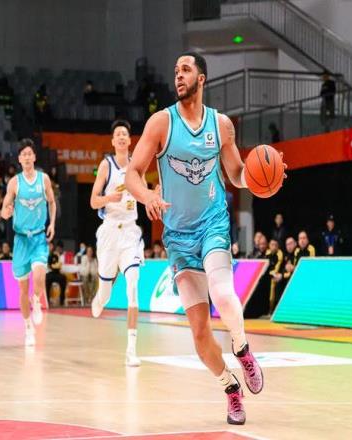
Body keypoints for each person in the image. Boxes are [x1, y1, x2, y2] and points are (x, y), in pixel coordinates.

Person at [126, 52, 283, 425]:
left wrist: (265, 178)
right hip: (178, 238)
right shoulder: (161, 123)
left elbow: (238, 174)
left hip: (212, 225)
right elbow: (133, 172)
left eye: (185, 69)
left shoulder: (221, 125)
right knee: (199, 336)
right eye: (175, 70)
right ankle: (231, 387)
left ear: (201, 78)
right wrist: (147, 196)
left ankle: (242, 349)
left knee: (224, 294)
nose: (178, 75)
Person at [90, 119, 143, 367]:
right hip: (110, 231)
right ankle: (99, 298)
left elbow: (144, 193)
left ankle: (131, 350)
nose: (121, 137)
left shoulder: (137, 165)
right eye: (117, 134)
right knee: (106, 294)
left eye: (125, 134)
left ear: (130, 140)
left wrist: (154, 196)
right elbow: (93, 201)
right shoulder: (106, 165)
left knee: (133, 286)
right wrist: (108, 198)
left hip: (130, 231)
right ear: (113, 141)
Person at [1, 138, 56, 346]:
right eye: (23, 154)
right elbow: (3, 210)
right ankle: (27, 327)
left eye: (29, 154)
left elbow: (52, 202)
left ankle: (37, 301)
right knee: (23, 290)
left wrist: (52, 224)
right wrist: (7, 212)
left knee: (39, 276)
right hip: (21, 240)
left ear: (34, 157)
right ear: (19, 159)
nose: (26, 157)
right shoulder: (14, 183)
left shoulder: (44, 179)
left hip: (39, 237)